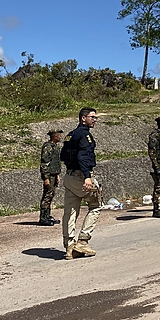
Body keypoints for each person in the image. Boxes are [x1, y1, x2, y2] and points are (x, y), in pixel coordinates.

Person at [60, 108, 102, 259]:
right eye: (92, 117)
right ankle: (83, 241)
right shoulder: (85, 135)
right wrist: (87, 177)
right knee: (96, 205)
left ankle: (69, 247)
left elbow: (63, 155)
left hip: (69, 176)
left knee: (70, 212)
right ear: (83, 118)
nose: (95, 119)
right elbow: (83, 156)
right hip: (80, 176)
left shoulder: (70, 135)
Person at [39, 128, 63, 226]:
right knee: (47, 196)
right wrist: (46, 178)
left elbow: (55, 163)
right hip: (49, 175)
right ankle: (43, 218)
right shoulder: (48, 147)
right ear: (54, 136)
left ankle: (48, 216)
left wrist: (57, 175)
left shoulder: (55, 146)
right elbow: (45, 163)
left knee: (51, 195)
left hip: (53, 174)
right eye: (59, 135)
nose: (60, 137)